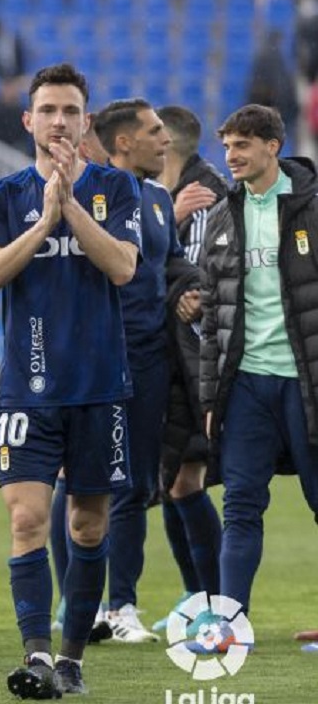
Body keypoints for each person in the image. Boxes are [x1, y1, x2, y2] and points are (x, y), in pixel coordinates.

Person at [0, 63, 140, 699]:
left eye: (71, 111)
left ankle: (71, 659)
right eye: (48, 110)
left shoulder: (114, 190)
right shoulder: (2, 196)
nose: (59, 121)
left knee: (89, 527)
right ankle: (37, 655)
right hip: (28, 390)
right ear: (28, 120)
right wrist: (43, 222)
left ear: (86, 120)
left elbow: (123, 266)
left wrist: (70, 207)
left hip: (99, 386)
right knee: (26, 520)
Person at [75, 99, 198, 644]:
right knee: (82, 484)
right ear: (123, 142)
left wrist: (189, 284)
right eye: (153, 132)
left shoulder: (154, 198)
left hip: (148, 356)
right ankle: (91, 603)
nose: (164, 141)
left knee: (135, 484)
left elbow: (169, 260)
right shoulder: (91, 194)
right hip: (99, 354)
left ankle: (116, 604)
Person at [199, 104, 318, 647]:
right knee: (241, 504)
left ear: (273, 146)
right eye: (226, 146)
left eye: (242, 145)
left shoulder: (312, 209)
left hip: (306, 383)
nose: (231, 156)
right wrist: (208, 396)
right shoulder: (224, 217)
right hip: (245, 384)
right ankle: (228, 625)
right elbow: (209, 320)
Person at [150, 104, 226, 633]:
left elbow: (197, 281)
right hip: (174, 359)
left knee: (187, 479)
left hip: (200, 362)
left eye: (153, 136)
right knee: (176, 481)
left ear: (169, 147)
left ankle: (215, 600)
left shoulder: (206, 198)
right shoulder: (171, 199)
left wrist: (186, 292)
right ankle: (196, 594)